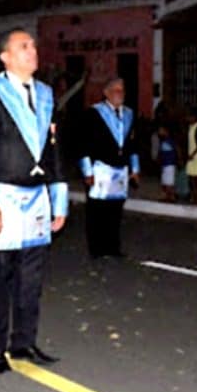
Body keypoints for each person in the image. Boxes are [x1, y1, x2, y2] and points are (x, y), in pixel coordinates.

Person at [0, 28, 67, 374]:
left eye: (34, 46)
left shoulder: (45, 95)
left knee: (31, 280)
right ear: (6, 57)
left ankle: (23, 342)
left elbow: (53, 150)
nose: (32, 51)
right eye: (23, 46)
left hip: (37, 198)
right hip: (4, 198)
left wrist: (59, 201)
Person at [78, 78, 140, 258]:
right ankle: (96, 249)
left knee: (116, 210)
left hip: (120, 170)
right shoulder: (93, 113)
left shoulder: (128, 114)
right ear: (106, 93)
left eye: (122, 90)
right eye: (116, 90)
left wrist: (135, 169)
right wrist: (87, 171)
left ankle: (113, 247)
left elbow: (133, 144)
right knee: (97, 210)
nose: (120, 94)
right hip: (100, 169)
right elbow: (83, 144)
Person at [158, 124, 179, 202]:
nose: (159, 132)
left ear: (166, 131)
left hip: (170, 164)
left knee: (169, 181)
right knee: (164, 181)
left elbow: (177, 150)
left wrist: (178, 160)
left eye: (161, 130)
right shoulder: (162, 141)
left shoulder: (170, 141)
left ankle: (171, 196)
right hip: (164, 164)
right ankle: (165, 195)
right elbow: (161, 152)